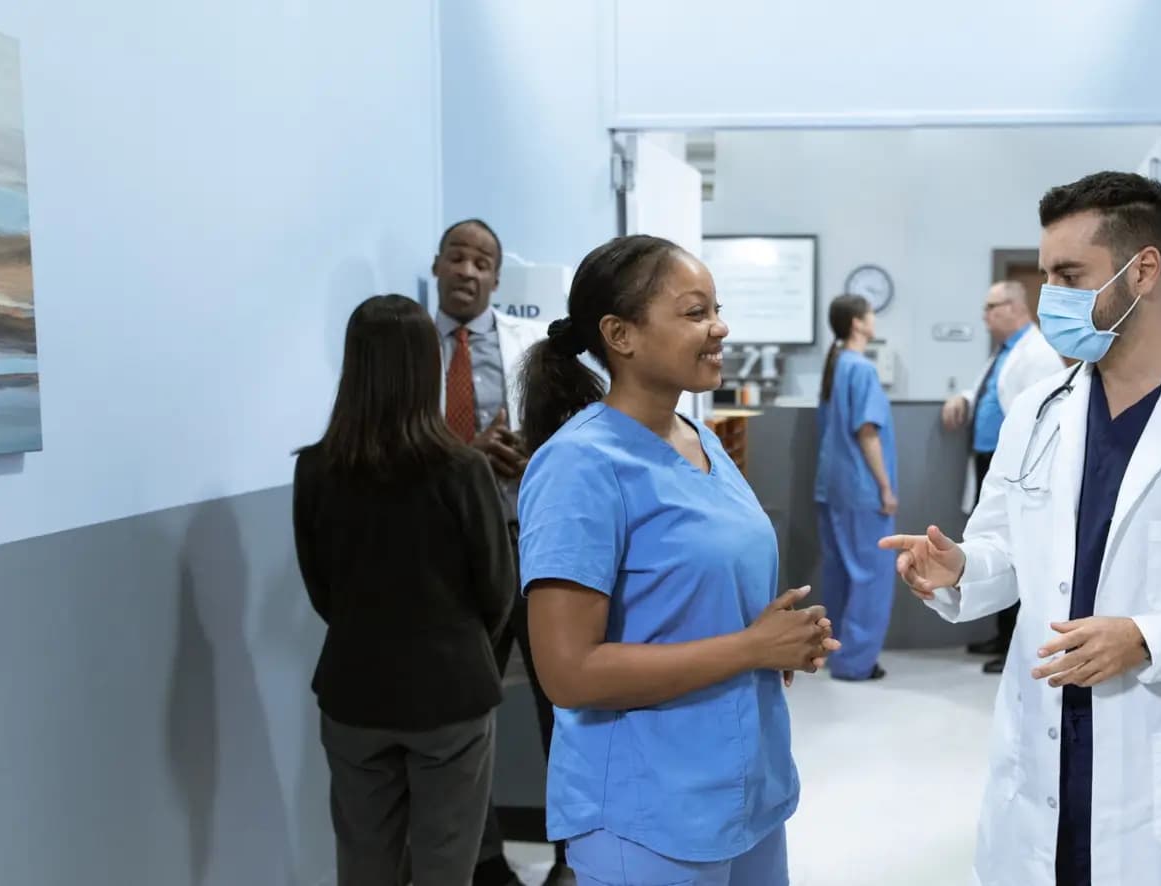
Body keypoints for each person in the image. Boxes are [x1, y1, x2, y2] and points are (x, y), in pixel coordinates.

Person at [882, 171, 1161, 886]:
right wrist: (962, 568)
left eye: (1068, 274)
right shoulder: (1038, 412)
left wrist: (1149, 637)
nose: (1047, 298)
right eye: (1044, 276)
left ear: (1143, 271)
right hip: (1044, 750)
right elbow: (1008, 551)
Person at [515, 234, 841, 886]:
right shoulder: (580, 465)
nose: (720, 327)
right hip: (647, 812)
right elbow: (569, 672)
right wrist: (750, 650)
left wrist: (777, 643)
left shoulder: (697, 438)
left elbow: (700, 597)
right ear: (621, 335)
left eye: (716, 309)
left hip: (742, 789)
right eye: (695, 313)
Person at [292, 294, 517, 886]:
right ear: (428, 369)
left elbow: (322, 589)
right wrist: (457, 642)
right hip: (451, 694)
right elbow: (498, 589)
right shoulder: (462, 470)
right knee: (446, 867)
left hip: (354, 690)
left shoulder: (316, 469)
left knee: (363, 865)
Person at [430, 218, 569, 886]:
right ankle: (484, 860)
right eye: (457, 257)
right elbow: (397, 449)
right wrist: (464, 458)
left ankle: (572, 856)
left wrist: (526, 452)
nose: (468, 271)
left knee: (562, 700)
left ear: (495, 277)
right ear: (437, 266)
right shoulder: (411, 355)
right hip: (449, 560)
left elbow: (565, 439)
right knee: (464, 717)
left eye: (482, 261)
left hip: (524, 544)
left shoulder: (528, 347)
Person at [941, 280, 1065, 673]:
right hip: (990, 462)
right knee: (992, 541)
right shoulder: (1006, 352)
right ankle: (998, 633)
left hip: (1019, 471)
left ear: (1014, 308)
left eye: (991, 307)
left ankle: (1013, 641)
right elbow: (989, 389)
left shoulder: (1040, 354)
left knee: (1015, 549)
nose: (984, 315)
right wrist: (962, 397)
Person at [814, 294, 897, 681]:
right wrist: (885, 488)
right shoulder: (860, 369)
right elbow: (867, 433)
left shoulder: (835, 366)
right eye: (869, 315)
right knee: (871, 576)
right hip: (862, 489)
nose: (873, 320)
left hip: (833, 488)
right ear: (858, 323)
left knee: (842, 574)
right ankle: (856, 663)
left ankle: (838, 654)